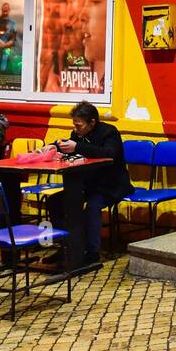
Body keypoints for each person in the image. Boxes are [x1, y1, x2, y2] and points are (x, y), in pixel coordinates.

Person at [43, 102, 128, 268]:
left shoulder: (109, 133)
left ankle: (92, 252)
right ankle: (67, 246)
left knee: (92, 207)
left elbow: (109, 154)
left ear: (92, 122)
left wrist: (78, 147)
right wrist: (52, 146)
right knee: (55, 202)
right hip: (86, 185)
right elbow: (66, 144)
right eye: (74, 124)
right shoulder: (77, 134)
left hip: (110, 186)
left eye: (79, 124)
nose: (76, 128)